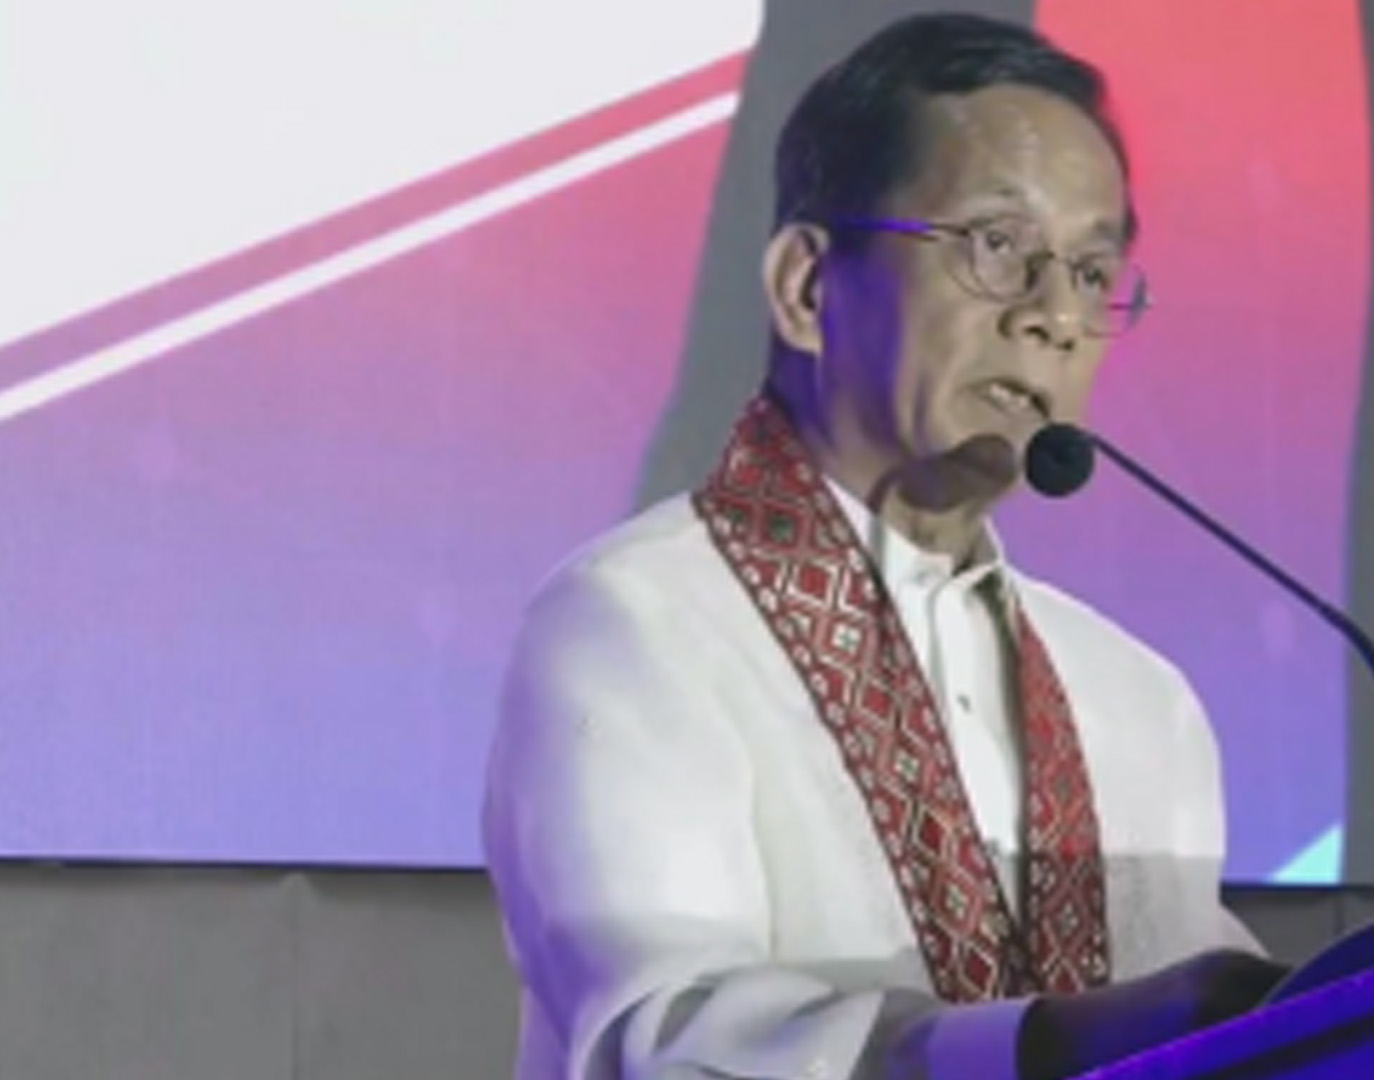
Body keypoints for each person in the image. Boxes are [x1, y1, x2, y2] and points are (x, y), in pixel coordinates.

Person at [482, 13, 1286, 1080]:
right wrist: (1046, 1040)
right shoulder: (636, 629)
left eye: (1094, 273)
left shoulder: (1139, 703)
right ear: (807, 288)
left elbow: (1222, 1026)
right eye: (997, 247)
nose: (1055, 315)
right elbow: (666, 1040)